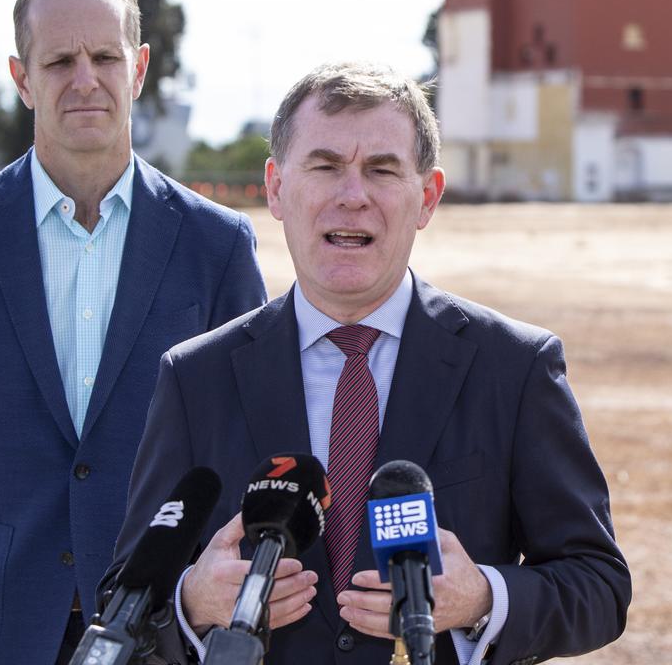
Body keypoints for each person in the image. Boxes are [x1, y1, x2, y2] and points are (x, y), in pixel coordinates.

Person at [110, 62, 630, 665]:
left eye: (381, 170)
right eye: (325, 165)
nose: (351, 196)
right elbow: (125, 595)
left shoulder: (514, 368)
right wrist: (192, 602)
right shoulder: (194, 378)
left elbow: (599, 584)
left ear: (427, 197)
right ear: (277, 188)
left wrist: (485, 596)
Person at [0, 0, 266, 665]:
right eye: (59, 60)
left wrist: (198, 583)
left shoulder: (218, 246)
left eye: (105, 57)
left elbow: (247, 434)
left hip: (167, 628)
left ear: (139, 67)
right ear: (22, 77)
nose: (84, 78)